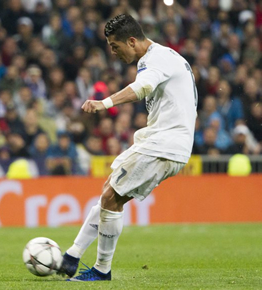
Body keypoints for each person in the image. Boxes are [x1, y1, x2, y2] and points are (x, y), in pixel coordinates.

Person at [59, 14, 197, 282]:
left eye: (114, 46)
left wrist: (105, 102)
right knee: (110, 193)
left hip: (164, 144)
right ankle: (72, 256)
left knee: (111, 197)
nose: (113, 52)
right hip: (163, 142)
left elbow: (142, 87)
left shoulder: (155, 59)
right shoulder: (168, 57)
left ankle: (100, 270)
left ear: (132, 41)